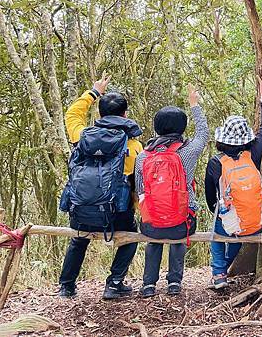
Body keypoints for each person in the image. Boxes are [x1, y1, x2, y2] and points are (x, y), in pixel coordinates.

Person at [58, 75, 144, 299]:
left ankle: (66, 286)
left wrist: (94, 92)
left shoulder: (82, 136)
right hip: (117, 213)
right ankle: (114, 283)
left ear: (99, 114)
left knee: (79, 238)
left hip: (82, 208)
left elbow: (72, 114)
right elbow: (136, 182)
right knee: (131, 236)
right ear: (125, 115)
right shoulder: (133, 145)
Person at [136, 85, 209, 298]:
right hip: (181, 225)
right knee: (180, 232)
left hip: (151, 226)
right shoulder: (188, 152)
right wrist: (194, 104)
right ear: (182, 127)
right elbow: (203, 134)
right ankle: (174, 282)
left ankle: (149, 284)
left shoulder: (143, 156)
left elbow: (140, 190)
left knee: (154, 237)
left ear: (156, 127)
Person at [204, 77, 262, 289]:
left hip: (231, 224)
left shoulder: (216, 162)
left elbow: (209, 197)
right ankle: (227, 265)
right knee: (238, 230)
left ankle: (218, 273)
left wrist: (219, 210)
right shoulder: (253, 154)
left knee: (218, 232)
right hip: (256, 223)